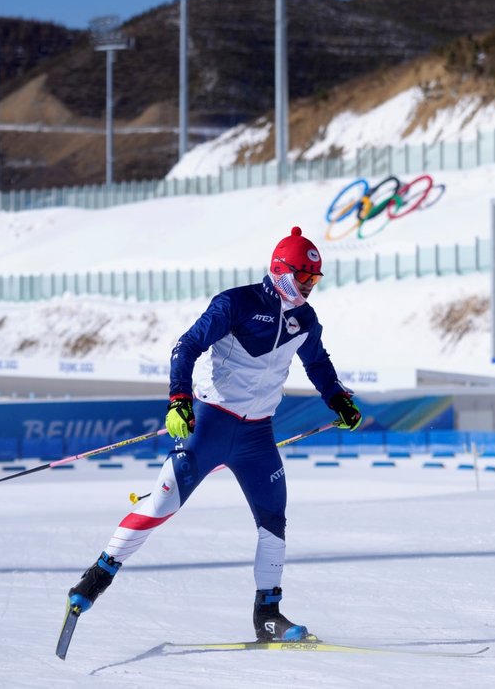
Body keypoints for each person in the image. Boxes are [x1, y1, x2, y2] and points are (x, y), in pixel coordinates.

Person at [66, 226, 362, 642]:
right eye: (304, 278)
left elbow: (317, 362)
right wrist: (178, 401)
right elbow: (185, 346)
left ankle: (268, 615)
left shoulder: (305, 320)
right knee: (161, 505)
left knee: (273, 520)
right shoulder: (236, 303)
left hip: (258, 436)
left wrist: (338, 399)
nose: (310, 287)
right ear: (280, 271)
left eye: (314, 280)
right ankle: (94, 580)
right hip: (211, 423)